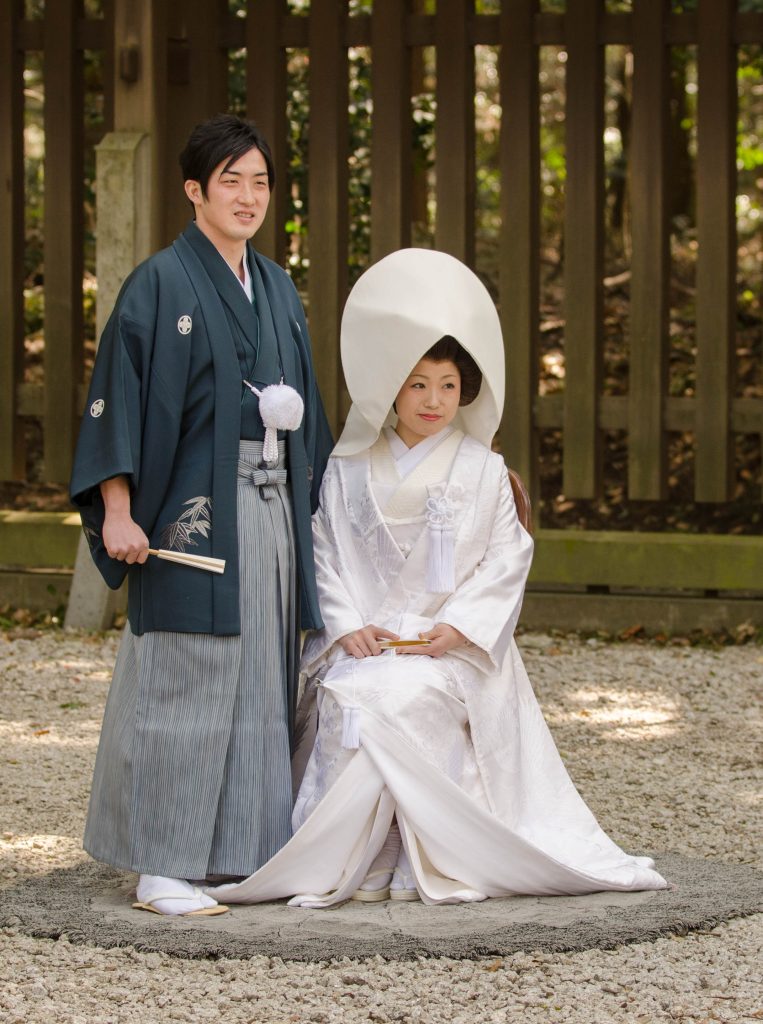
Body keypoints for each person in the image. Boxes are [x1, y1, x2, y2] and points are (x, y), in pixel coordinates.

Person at [207, 248, 667, 908]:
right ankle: (353, 860)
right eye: (418, 384)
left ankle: (400, 857)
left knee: (400, 699)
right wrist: (345, 628)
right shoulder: (347, 466)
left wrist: (457, 628)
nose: (432, 400)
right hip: (364, 642)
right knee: (353, 698)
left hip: (445, 650)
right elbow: (324, 553)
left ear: (466, 392)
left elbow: (506, 560)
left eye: (447, 386)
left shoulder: (483, 470)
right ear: (392, 387)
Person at [69, 114, 333, 916]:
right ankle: (159, 863)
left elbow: (309, 417)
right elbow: (116, 397)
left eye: (260, 182)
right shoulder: (159, 283)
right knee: (184, 676)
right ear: (194, 190)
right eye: (231, 181)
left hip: (269, 505)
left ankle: (235, 857)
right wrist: (117, 510)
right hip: (192, 512)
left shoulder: (279, 286)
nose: (248, 196)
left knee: (260, 681)